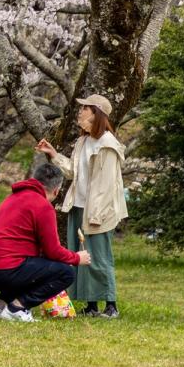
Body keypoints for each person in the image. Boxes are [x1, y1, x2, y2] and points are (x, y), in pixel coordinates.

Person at [36, 93, 127, 318]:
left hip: (98, 211)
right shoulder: (83, 141)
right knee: (81, 256)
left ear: (96, 113)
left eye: (84, 108)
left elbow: (106, 186)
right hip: (78, 206)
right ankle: (92, 305)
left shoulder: (107, 144)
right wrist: (54, 155)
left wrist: (95, 215)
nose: (79, 112)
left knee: (99, 256)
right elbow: (73, 173)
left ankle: (111, 306)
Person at [0, 163, 91, 322]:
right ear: (56, 190)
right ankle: (17, 308)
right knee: (65, 273)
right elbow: (53, 251)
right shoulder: (43, 206)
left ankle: (0, 305)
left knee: (32, 267)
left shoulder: (13, 198)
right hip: (3, 269)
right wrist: (76, 258)